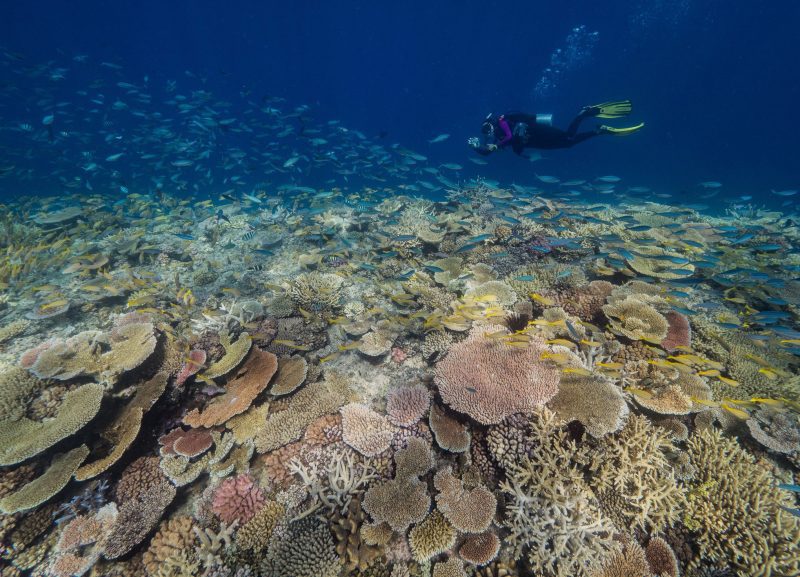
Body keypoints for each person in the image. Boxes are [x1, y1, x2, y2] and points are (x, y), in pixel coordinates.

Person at [468, 100, 644, 156]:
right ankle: (599, 131)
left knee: (568, 135)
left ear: (490, 123)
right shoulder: (497, 135)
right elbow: (488, 152)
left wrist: (497, 146)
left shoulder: (502, 122)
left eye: (486, 128)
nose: (487, 132)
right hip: (537, 142)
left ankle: (583, 114)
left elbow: (508, 135)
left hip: (538, 131)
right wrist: (476, 147)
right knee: (568, 144)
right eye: (485, 132)